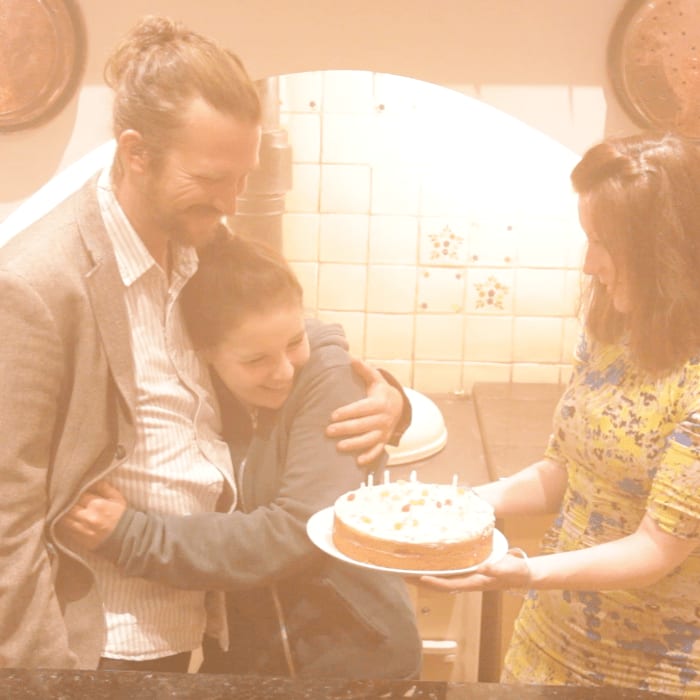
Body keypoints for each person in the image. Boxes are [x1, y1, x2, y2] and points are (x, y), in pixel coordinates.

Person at [0, 15, 408, 671]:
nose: (232, 202)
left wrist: (388, 398)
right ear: (136, 153)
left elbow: (287, 330)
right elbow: (7, 523)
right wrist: (40, 680)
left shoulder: (198, 241)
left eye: (242, 177)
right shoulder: (37, 284)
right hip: (104, 644)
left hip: (196, 626)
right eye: (213, 178)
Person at [58, 232, 423, 679]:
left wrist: (132, 536)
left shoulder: (328, 380)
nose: (284, 371)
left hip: (357, 661)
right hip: (251, 661)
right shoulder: (200, 394)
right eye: (255, 361)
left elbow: (298, 531)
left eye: (294, 342)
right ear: (204, 355)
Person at [419, 131, 700, 698]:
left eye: (604, 243)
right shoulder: (614, 333)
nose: (590, 264)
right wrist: (459, 503)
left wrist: (526, 572)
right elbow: (562, 470)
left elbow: (656, 549)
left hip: (650, 672)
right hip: (547, 642)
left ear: (666, 251)